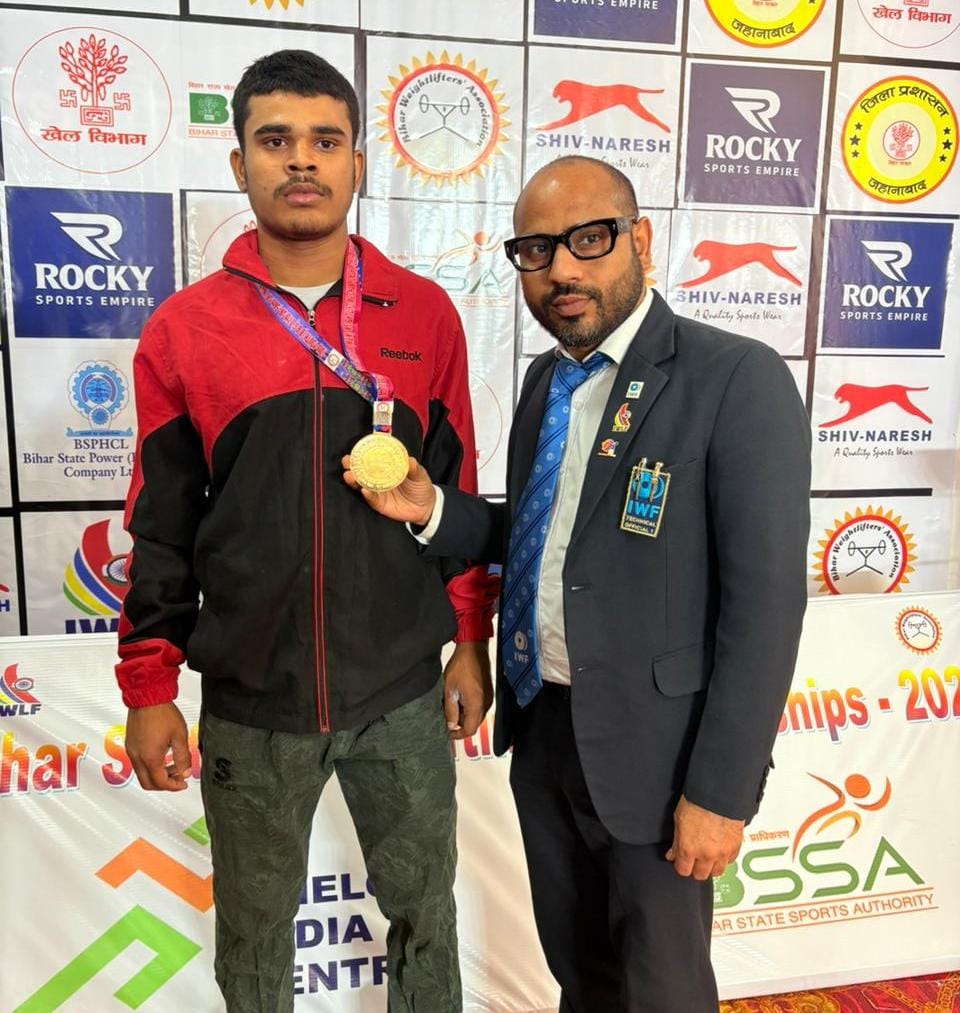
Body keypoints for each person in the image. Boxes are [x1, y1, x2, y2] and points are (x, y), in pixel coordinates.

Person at [346, 155, 811, 1012]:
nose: (561, 268)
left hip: (660, 757)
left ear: (641, 239)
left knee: (662, 990)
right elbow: (543, 536)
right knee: (581, 976)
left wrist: (719, 791)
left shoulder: (734, 377)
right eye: (536, 249)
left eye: (588, 239)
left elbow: (767, 607)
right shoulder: (545, 381)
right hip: (546, 732)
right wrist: (431, 507)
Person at [115, 49, 496, 1013]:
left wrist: (468, 640)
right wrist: (150, 686)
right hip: (253, 702)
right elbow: (161, 526)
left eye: (326, 141)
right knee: (253, 934)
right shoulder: (185, 329)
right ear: (239, 162)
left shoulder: (424, 314)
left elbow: (454, 492)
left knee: (425, 912)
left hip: (402, 692)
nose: (301, 160)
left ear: (356, 163)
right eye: (275, 139)